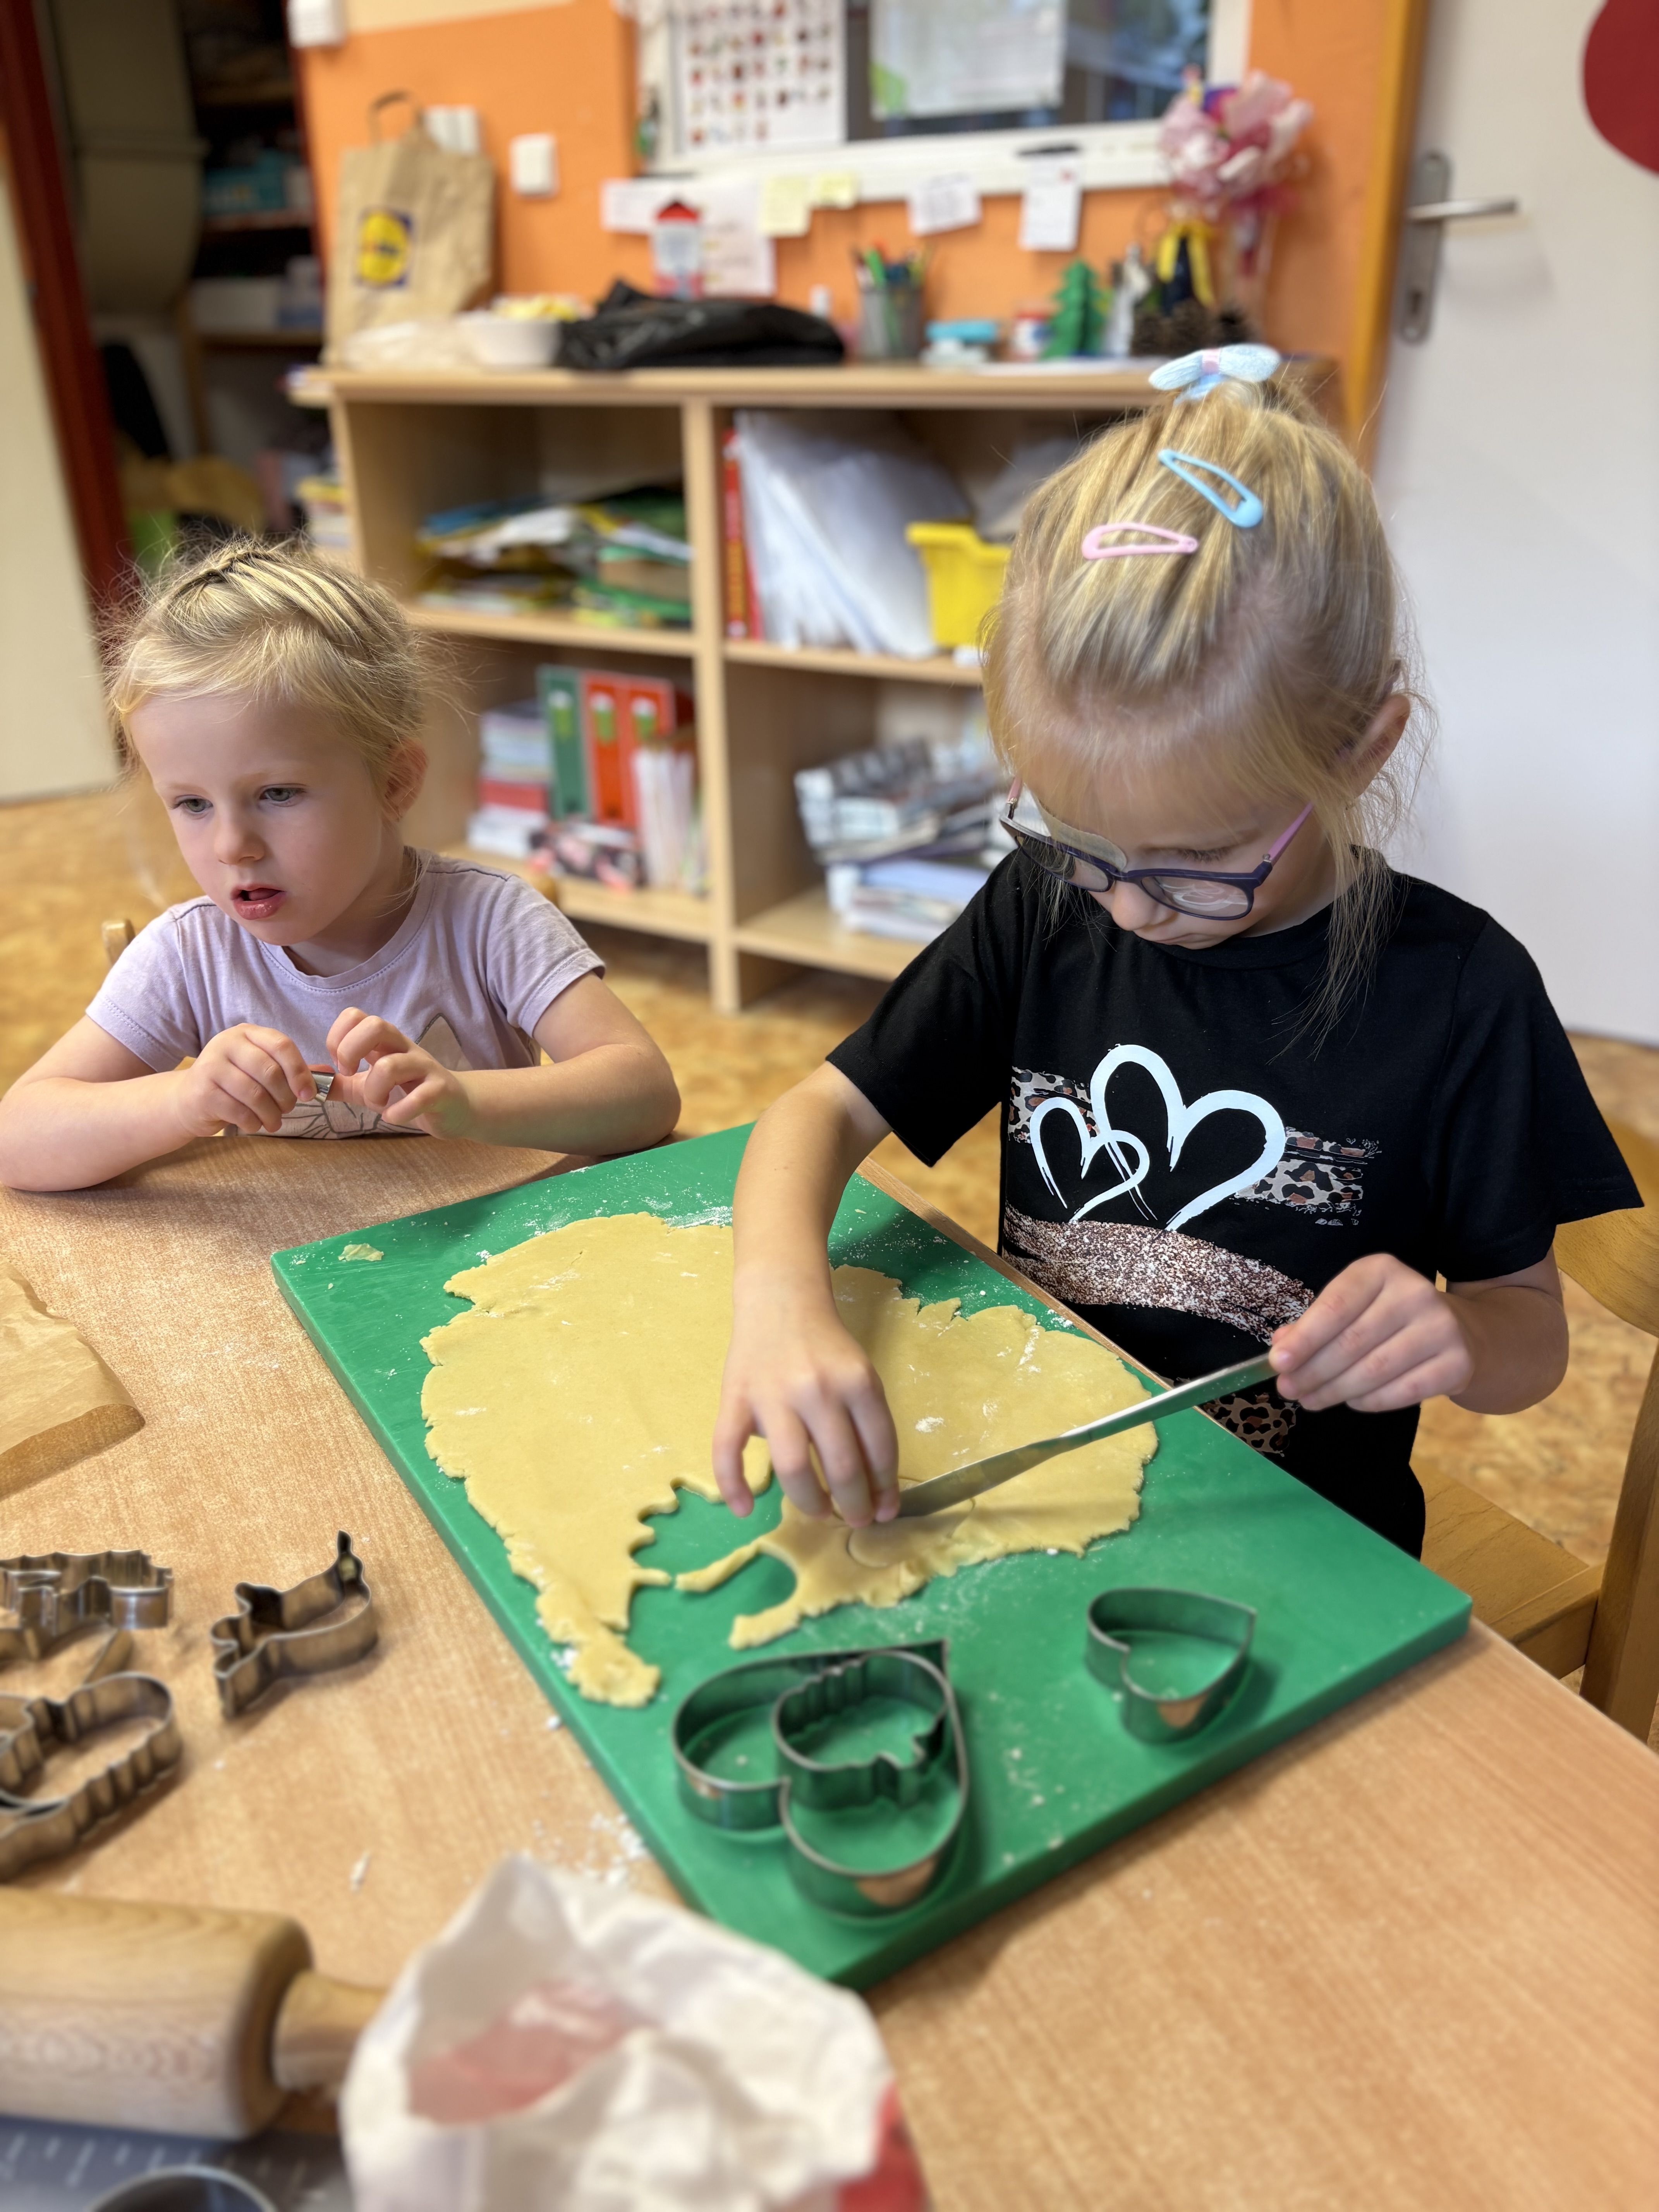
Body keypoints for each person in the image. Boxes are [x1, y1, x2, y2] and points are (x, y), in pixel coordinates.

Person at [712, 357, 1638, 1557]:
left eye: (1197, 862)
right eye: (1081, 844)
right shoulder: (1044, 907)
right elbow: (815, 1116)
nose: (1128, 909)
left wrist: (1455, 1337)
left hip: (1293, 1544)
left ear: (1360, 752)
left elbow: (1528, 1338)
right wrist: (778, 1300)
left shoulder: (1461, 995)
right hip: (1047, 1487)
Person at [0, 541, 680, 1192]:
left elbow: (646, 1095)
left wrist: (468, 1101)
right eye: (192, 804)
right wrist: (182, 1100)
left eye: (277, 794)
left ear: (394, 782)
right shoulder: (189, 956)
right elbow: (16, 1139)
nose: (232, 845)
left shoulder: (491, 921)